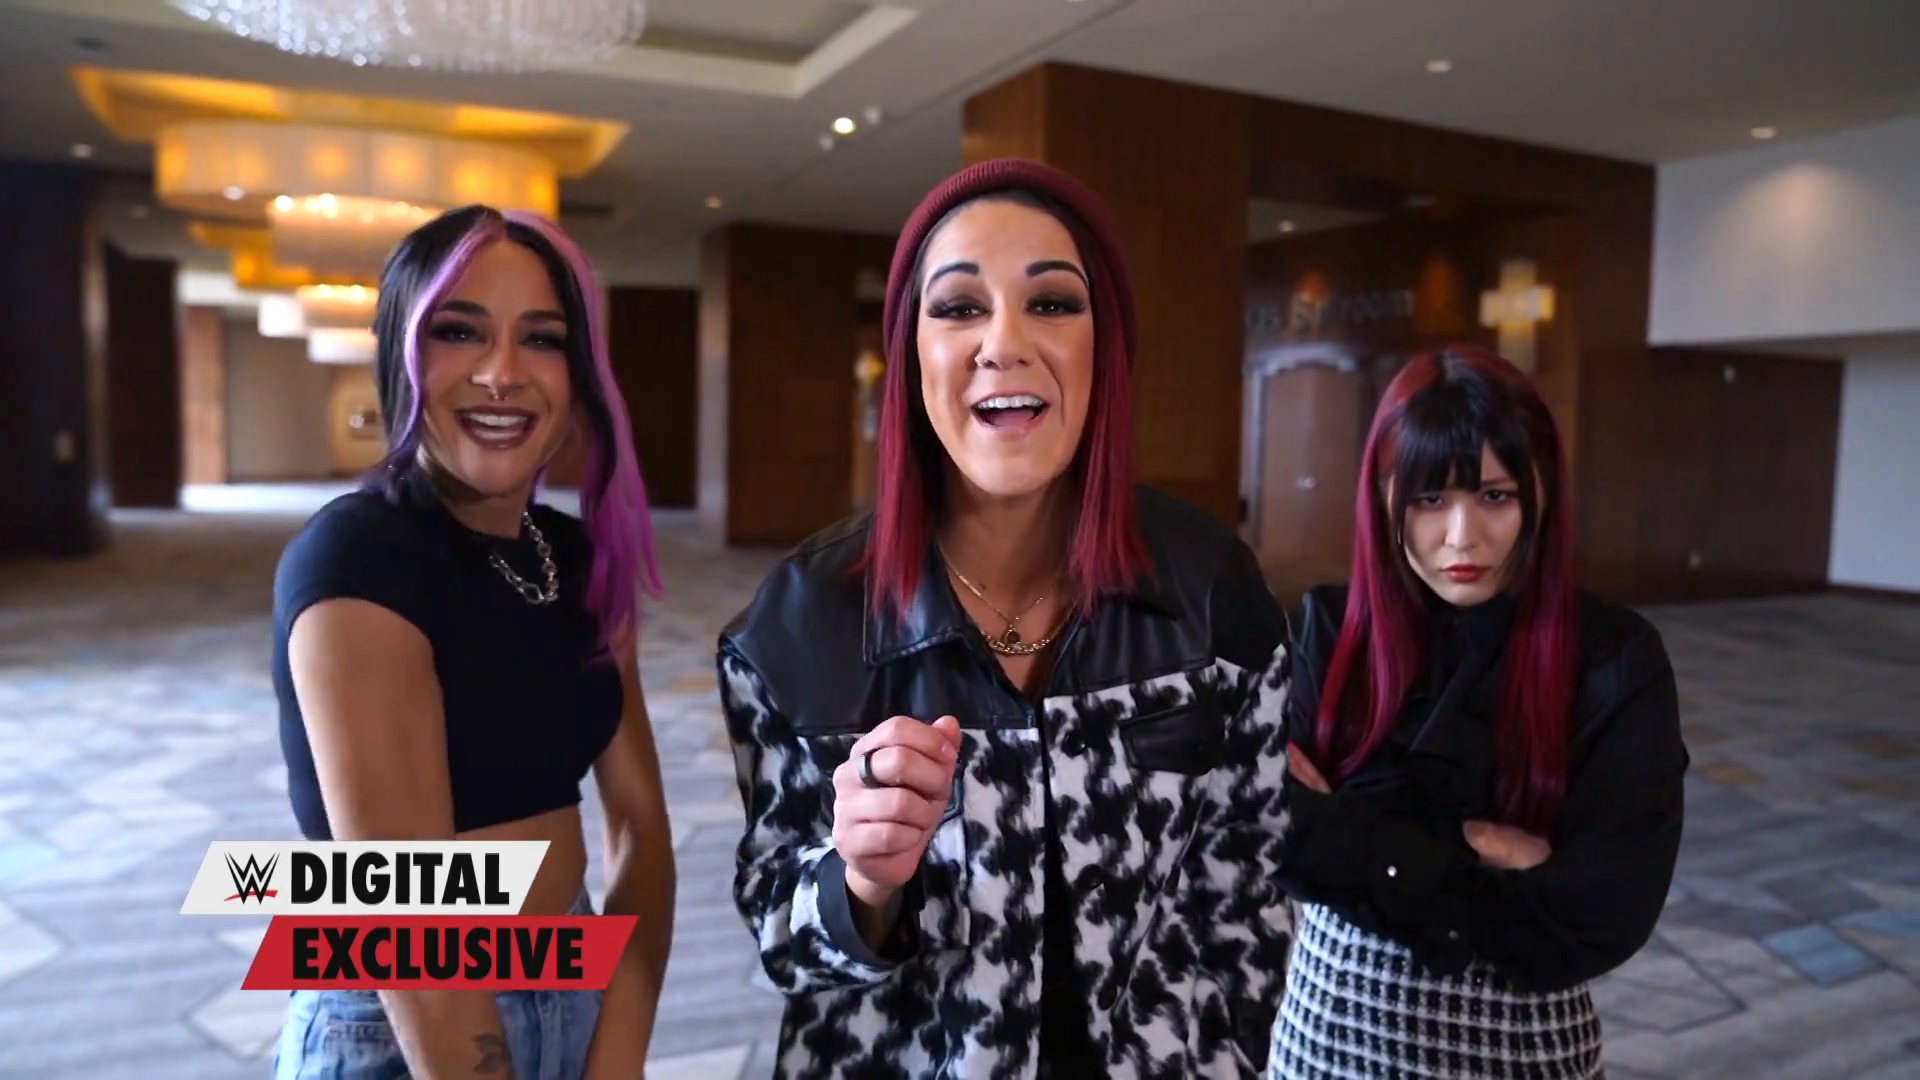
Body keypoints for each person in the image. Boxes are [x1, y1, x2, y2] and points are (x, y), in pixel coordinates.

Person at [717, 158, 1296, 1079]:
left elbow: (1251, 897)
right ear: (912, 354)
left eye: (1053, 304)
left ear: (1107, 347)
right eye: (958, 307)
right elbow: (781, 944)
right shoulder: (802, 620)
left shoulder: (1208, 588)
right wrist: (861, 880)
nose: (1004, 343)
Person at [268, 205, 675, 1080]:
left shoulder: (573, 555)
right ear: (402, 353)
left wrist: (619, 1050)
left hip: (573, 981)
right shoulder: (359, 557)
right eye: (459, 331)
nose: (502, 374)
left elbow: (641, 831)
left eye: (542, 339)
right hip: (396, 1022)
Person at [1268, 346, 1689, 1079]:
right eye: (1429, 499)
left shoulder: (1613, 657)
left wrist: (1362, 843)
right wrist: (1480, 843)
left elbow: (1605, 912)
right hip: (1328, 1029)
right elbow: (1279, 838)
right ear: (1383, 498)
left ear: (1541, 493)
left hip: (1520, 1044)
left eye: (1494, 496)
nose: (1462, 537)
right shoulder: (1332, 632)